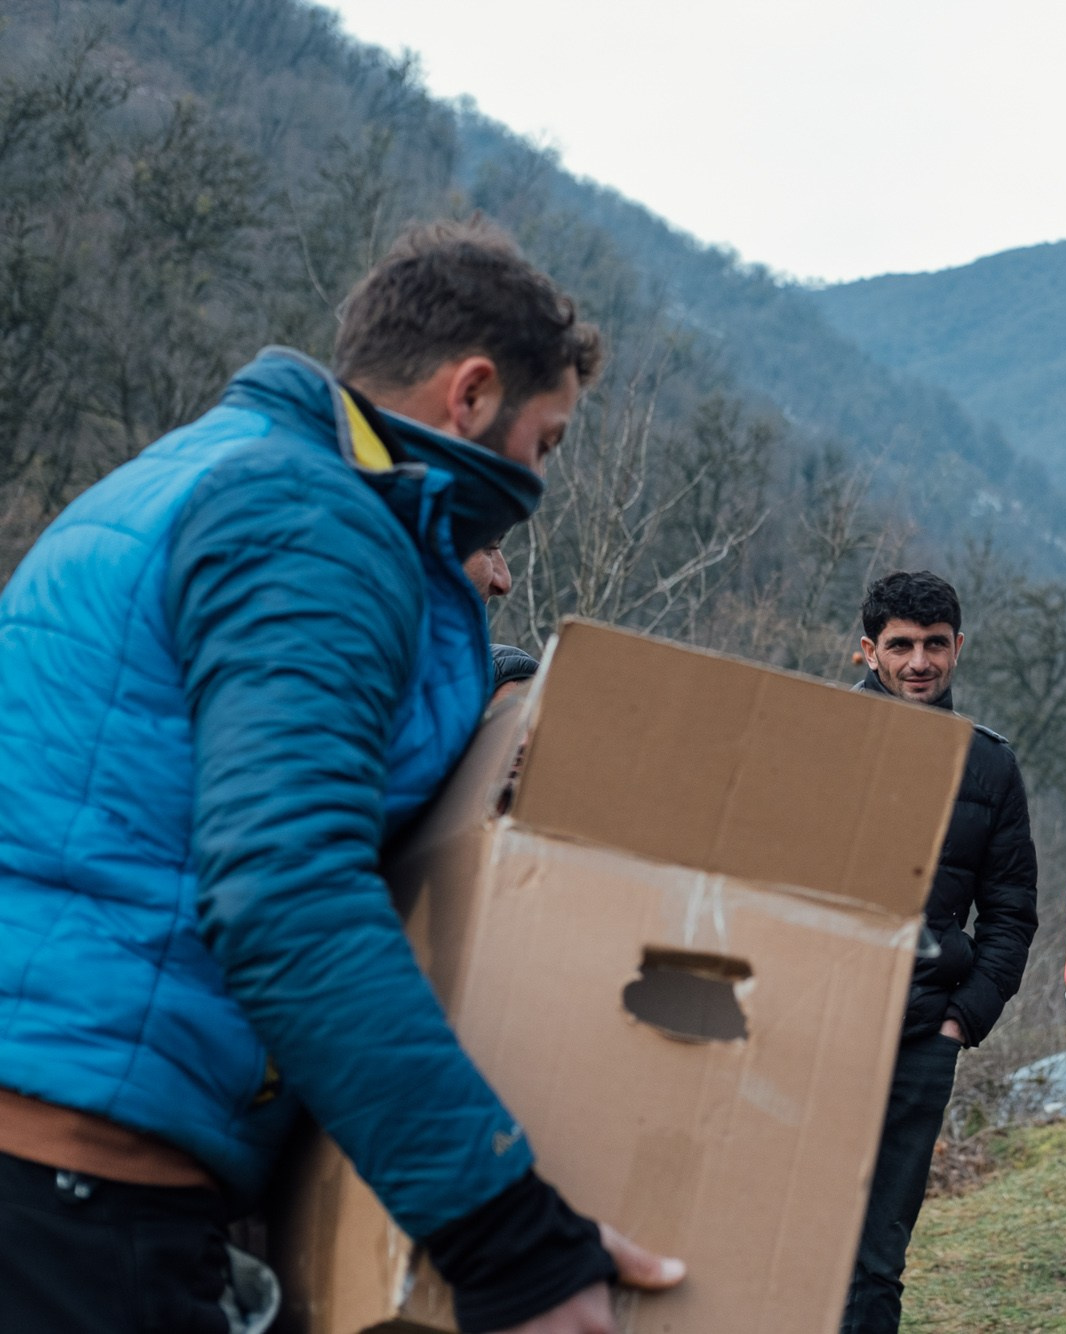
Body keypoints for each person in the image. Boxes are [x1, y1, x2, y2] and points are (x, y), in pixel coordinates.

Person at [0, 219, 681, 1334]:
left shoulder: (189, 472)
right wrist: (505, 1234)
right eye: (547, 442)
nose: (537, 478)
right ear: (470, 394)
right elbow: (284, 887)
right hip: (81, 1195)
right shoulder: (309, 519)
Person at [843, 571, 1038, 1334]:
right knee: (786, 1222)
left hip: (924, 1034)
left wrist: (963, 1020)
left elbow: (1012, 913)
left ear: (958, 646)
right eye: (900, 646)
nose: (918, 662)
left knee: (877, 1254)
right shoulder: (820, 736)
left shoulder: (990, 765)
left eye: (933, 645)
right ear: (868, 651)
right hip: (813, 1020)